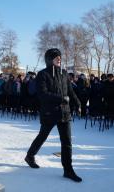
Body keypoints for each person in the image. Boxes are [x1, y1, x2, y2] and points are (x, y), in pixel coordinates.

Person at [25, 48, 82, 182]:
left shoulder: (63, 73)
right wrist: (61, 98)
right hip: (49, 113)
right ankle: (30, 156)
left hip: (65, 112)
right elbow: (42, 94)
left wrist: (78, 103)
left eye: (60, 57)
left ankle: (68, 170)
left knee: (67, 142)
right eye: (56, 57)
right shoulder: (42, 74)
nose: (59, 59)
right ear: (50, 59)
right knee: (42, 136)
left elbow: (70, 91)